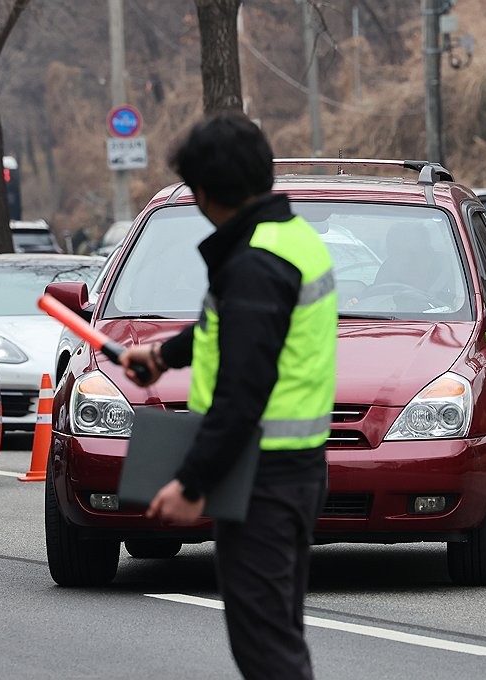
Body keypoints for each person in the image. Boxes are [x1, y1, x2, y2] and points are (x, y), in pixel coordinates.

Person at [119, 112, 336, 679]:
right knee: (279, 635)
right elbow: (231, 329)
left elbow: (243, 392)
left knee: (266, 649)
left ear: (206, 193)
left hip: (264, 479)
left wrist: (192, 483)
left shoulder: (255, 264)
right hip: (295, 471)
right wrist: (165, 356)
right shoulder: (289, 239)